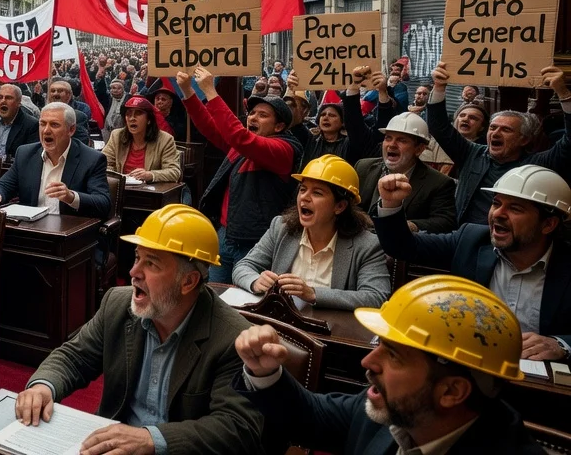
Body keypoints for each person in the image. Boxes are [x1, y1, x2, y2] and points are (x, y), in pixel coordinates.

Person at [14, 205, 263, 454]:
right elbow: (75, 356)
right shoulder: (118, 305)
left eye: (152, 264)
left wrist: (151, 440)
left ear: (188, 282)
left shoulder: (232, 338)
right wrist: (44, 386)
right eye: (136, 257)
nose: (133, 273)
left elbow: (235, 427)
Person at [233, 275, 543, 454]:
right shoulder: (388, 411)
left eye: (393, 354)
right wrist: (265, 372)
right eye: (377, 344)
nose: (367, 362)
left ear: (451, 391)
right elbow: (309, 416)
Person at [373, 167, 571, 359]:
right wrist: (391, 203)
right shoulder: (471, 240)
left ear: (548, 224)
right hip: (468, 368)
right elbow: (402, 246)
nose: (498, 214)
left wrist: (561, 344)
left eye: (515, 208)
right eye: (496, 203)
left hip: (538, 382)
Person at [179, 66, 302, 284]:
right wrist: (188, 92)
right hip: (226, 236)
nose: (253, 118)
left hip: (257, 244)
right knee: (215, 296)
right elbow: (210, 127)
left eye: (263, 115)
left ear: (279, 126)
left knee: (246, 303)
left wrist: (210, 91)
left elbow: (239, 137)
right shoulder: (241, 146)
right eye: (252, 113)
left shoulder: (284, 149)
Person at [232, 155, 389, 310]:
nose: (304, 198)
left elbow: (376, 297)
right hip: (280, 326)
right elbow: (243, 267)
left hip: (329, 333)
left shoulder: (367, 245)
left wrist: (313, 294)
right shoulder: (281, 228)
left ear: (340, 206)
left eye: (317, 193)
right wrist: (255, 281)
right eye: (303, 189)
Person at [427, 62, 571, 225]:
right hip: (465, 239)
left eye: (506, 130)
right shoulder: (472, 153)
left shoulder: (537, 164)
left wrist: (563, 93)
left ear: (524, 139)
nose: (495, 133)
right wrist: (438, 87)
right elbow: (439, 127)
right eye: (493, 128)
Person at [0, 102, 110, 218]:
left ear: (71, 130)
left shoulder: (92, 159)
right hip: (32, 230)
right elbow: (4, 185)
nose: (46, 130)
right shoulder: (25, 153)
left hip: (69, 235)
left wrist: (71, 197)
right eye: (42, 124)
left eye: (54, 125)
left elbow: (103, 203)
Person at [353, 112, 457, 233]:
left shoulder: (439, 183)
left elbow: (445, 222)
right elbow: (349, 205)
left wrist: (402, 225)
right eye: (388, 138)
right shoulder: (363, 167)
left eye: (401, 140)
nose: (391, 145)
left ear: (419, 149)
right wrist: (370, 221)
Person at [300, 66, 391, 168]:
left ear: (343, 122)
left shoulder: (352, 144)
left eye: (332, 115)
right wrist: (290, 90)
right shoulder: (310, 141)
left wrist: (381, 91)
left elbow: (355, 123)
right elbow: (293, 122)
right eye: (322, 115)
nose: (326, 118)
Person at [101, 96, 182, 185]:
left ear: (149, 120)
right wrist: (119, 177)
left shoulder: (165, 139)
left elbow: (174, 172)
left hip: (149, 193)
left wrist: (150, 175)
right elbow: (103, 164)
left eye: (138, 113)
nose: (132, 118)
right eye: (129, 114)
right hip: (121, 190)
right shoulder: (116, 136)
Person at [0, 83, 40, 160]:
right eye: (0, 97)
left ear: (19, 102)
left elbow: (29, 159)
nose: (3, 101)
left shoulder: (31, 125)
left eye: (8, 98)